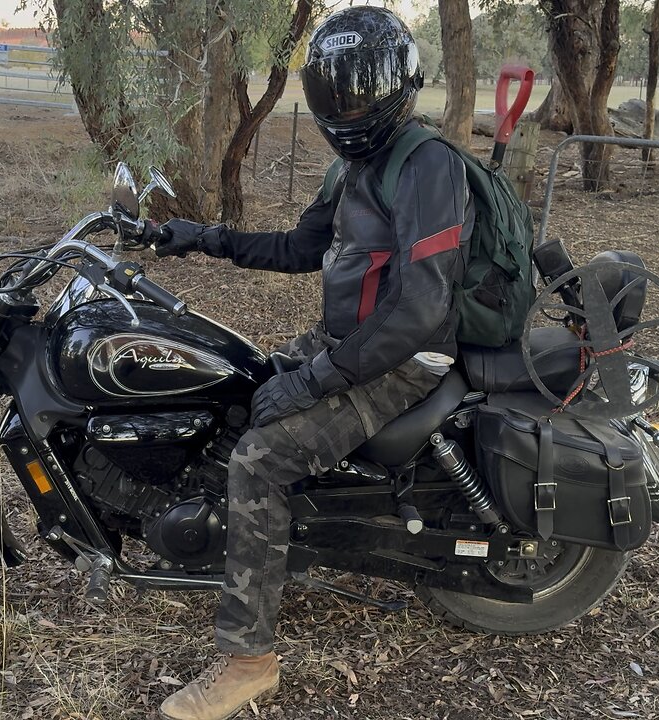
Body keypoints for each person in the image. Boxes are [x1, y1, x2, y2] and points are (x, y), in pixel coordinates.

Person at [153, 6, 472, 719]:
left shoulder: (428, 166)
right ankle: (265, 551)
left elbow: (420, 310)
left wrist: (315, 379)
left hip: (405, 358)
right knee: (232, 386)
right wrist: (199, 238)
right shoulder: (353, 167)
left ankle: (247, 661)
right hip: (352, 344)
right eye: (334, 97)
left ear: (396, 88)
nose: (346, 110)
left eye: (358, 96)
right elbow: (300, 249)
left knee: (260, 458)